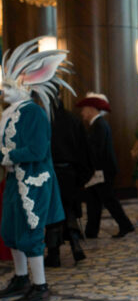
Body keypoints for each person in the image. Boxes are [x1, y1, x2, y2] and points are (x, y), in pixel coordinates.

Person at [0, 39, 69, 301]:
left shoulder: (34, 113)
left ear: (26, 84)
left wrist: (6, 155)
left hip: (33, 182)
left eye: (8, 86)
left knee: (30, 234)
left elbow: (37, 151)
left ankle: (40, 286)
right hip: (14, 179)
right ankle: (20, 278)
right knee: (11, 231)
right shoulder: (10, 113)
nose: (3, 91)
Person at [78, 93, 135, 238]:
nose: (82, 113)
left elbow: (96, 151)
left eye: (84, 109)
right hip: (100, 171)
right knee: (94, 201)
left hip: (102, 171)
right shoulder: (97, 125)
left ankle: (125, 225)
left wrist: (90, 169)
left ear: (91, 109)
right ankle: (91, 231)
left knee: (108, 200)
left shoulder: (99, 125)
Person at [45, 95, 91, 267]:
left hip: (50, 172)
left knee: (52, 213)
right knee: (69, 209)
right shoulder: (73, 120)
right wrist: (82, 176)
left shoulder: (44, 120)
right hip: (70, 173)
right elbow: (84, 150)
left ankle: (54, 254)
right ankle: (76, 245)